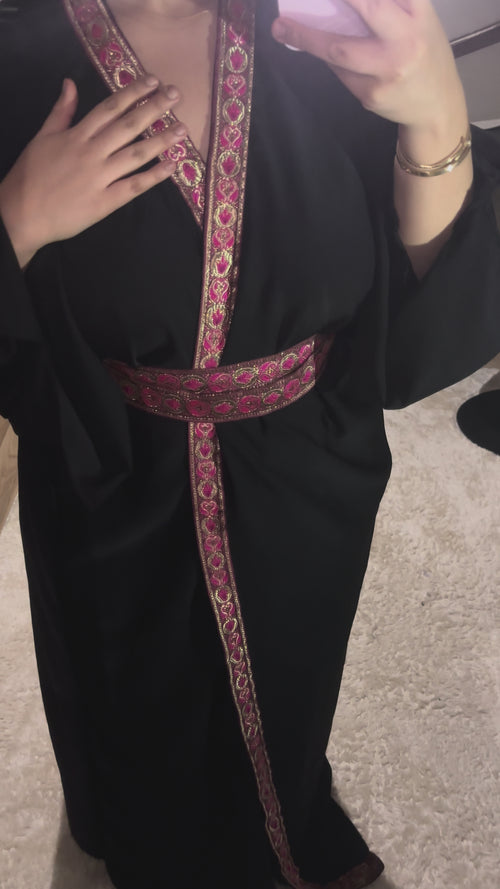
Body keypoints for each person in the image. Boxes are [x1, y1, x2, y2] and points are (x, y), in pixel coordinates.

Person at [0, 1, 499, 887]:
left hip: (308, 477)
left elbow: (415, 339)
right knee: (137, 715)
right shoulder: (17, 57)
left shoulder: (319, 31)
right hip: (110, 486)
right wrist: (16, 222)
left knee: (288, 687)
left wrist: (436, 117)